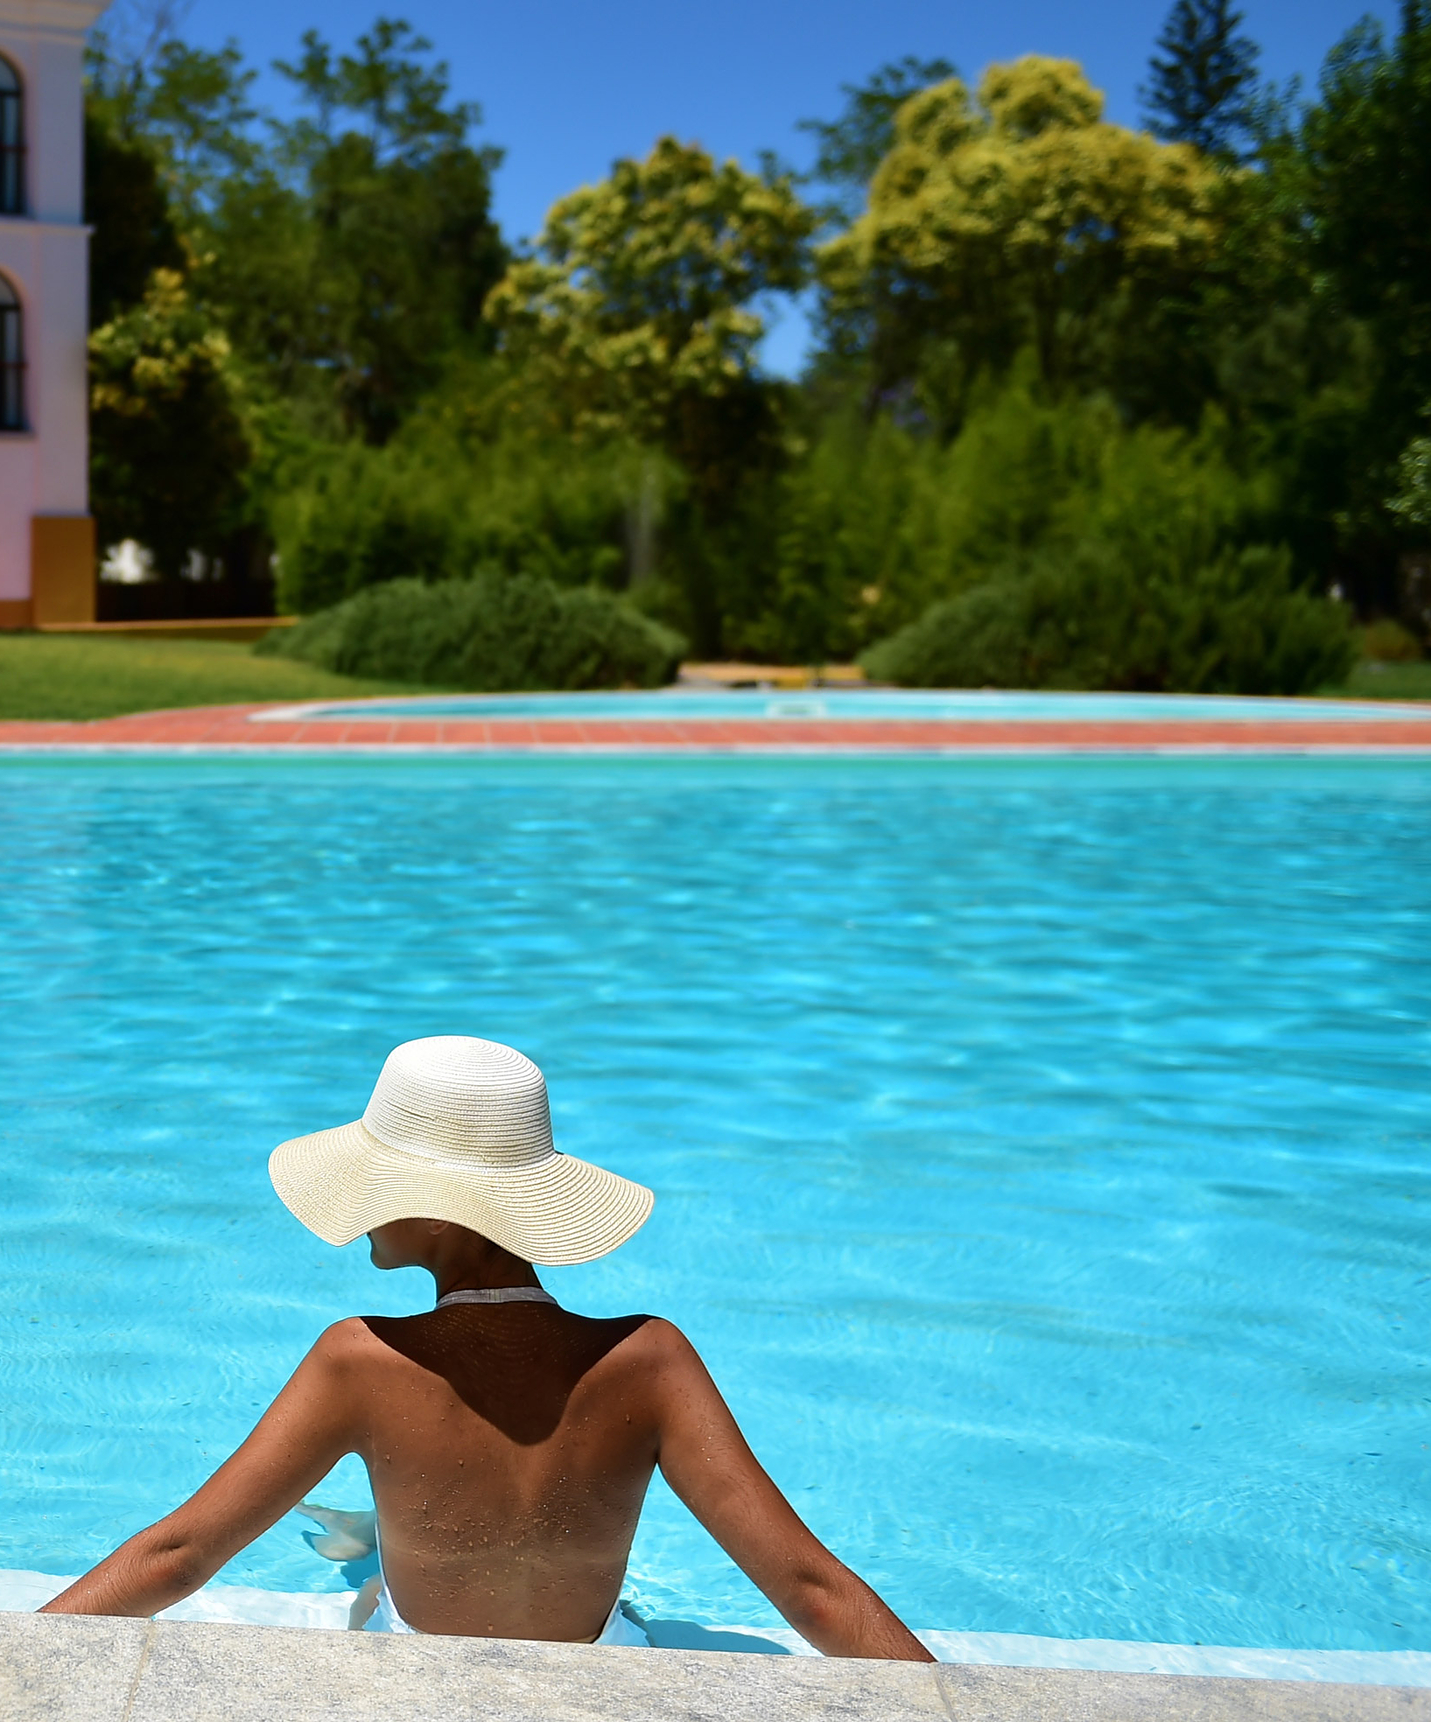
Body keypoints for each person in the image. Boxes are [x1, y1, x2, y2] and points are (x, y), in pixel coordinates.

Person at [41, 1036, 932, 1661]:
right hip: (601, 1654)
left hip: (413, 1649)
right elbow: (811, 1588)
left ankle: (364, 1550)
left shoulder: (357, 1360)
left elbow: (180, 1557)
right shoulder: (654, 1361)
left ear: (432, 1211)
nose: (363, 1215)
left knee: (373, 1579)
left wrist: (26, 1659)